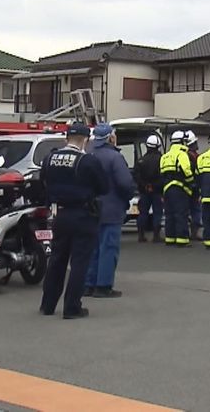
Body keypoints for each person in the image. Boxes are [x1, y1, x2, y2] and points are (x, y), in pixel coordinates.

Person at [39, 123, 107, 320]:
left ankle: (48, 304)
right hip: (83, 216)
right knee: (79, 263)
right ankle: (72, 307)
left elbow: (43, 182)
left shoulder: (50, 158)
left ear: (66, 138)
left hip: (59, 214)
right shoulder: (87, 161)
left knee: (57, 260)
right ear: (86, 140)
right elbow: (104, 187)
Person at [83, 124, 136, 298]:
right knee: (108, 247)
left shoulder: (87, 155)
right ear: (110, 138)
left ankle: (88, 283)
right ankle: (103, 285)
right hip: (111, 209)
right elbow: (125, 183)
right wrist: (126, 199)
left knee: (92, 248)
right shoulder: (115, 157)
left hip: (90, 209)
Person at [161, 130, 195, 246]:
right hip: (180, 189)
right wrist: (191, 183)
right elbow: (186, 170)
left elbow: (162, 173)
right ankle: (182, 239)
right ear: (181, 142)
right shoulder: (182, 154)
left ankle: (170, 238)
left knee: (169, 214)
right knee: (181, 214)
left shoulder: (165, 156)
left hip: (167, 189)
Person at [134, 134, 164, 243]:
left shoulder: (141, 160)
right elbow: (163, 176)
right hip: (157, 191)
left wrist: (146, 186)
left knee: (143, 213)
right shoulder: (161, 159)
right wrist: (154, 186)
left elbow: (136, 176)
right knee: (157, 212)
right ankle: (156, 236)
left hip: (144, 191)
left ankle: (141, 235)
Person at [184, 131, 203, 242]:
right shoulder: (194, 157)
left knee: (187, 211)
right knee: (195, 210)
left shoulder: (185, 155)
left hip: (187, 187)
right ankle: (194, 233)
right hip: (193, 188)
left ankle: (189, 232)